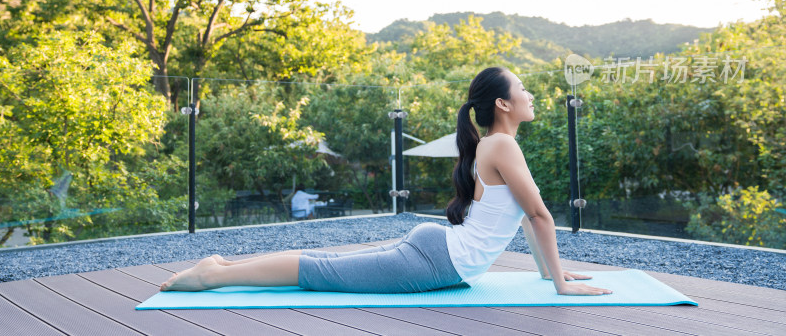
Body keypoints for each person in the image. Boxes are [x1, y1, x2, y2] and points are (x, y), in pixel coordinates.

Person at [160, 67, 612, 296]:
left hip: (438, 251)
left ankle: (219, 268)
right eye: (522, 88)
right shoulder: (502, 146)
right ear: (503, 104)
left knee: (327, 263)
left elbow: (529, 220)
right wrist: (560, 285)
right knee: (322, 272)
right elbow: (540, 215)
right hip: (437, 262)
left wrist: (549, 272)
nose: (530, 94)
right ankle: (213, 277)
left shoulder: (495, 145)